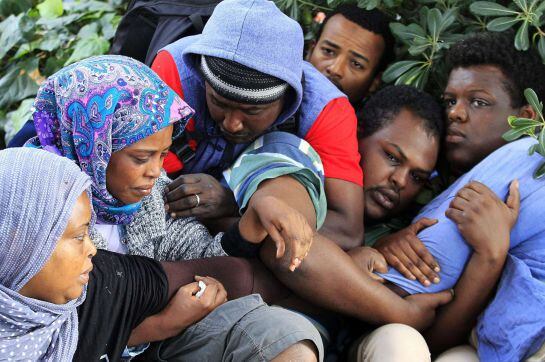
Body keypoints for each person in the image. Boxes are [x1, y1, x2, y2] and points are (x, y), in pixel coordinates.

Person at [26, 55, 327, 361]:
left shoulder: (150, 194)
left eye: (163, 155)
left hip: (165, 334)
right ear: (92, 144)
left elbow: (204, 260)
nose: (156, 172)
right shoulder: (38, 213)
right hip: (102, 348)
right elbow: (49, 338)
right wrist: (159, 326)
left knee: (280, 334)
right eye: (142, 158)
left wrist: (249, 225)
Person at [0, 147, 323, 361]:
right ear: (21, 241)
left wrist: (163, 325)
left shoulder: (99, 280)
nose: (93, 248)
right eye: (80, 236)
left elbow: (228, 273)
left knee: (280, 332)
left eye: (163, 154)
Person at [352, 31, 545, 361]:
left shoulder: (528, 158)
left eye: (478, 102)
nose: (455, 113)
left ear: (526, 119)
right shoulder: (426, 173)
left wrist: (490, 254)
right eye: (450, 101)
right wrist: (381, 248)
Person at [152, 0, 365, 249]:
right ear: (203, 80)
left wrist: (234, 203)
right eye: (217, 102)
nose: (232, 124)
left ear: (288, 97)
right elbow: (146, 187)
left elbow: (347, 231)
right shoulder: (174, 73)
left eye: (252, 110)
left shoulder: (326, 110)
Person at [307, 4, 395, 107]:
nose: (335, 69)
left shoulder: (368, 123)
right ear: (310, 51)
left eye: (356, 64)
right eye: (328, 51)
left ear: (375, 82)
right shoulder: (283, 89)